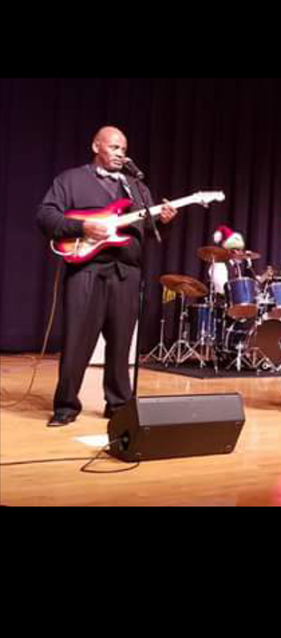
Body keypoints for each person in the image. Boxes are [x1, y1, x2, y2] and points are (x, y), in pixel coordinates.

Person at [37, 127, 178, 426]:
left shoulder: (136, 188)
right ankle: (66, 407)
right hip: (87, 271)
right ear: (96, 146)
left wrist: (164, 222)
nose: (120, 154)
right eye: (114, 147)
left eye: (123, 149)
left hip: (127, 273)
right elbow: (46, 216)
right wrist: (82, 227)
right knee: (77, 342)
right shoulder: (71, 180)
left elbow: (149, 232)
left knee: (121, 344)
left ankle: (119, 406)